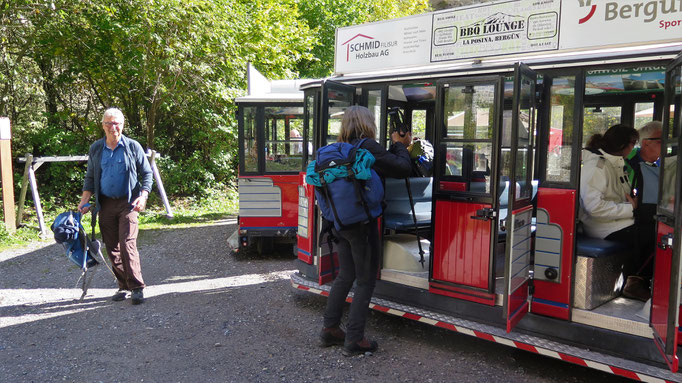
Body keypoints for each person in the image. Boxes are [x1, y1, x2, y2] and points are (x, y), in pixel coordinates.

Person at [319, 105, 412, 355]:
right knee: (365, 281)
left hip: (338, 224)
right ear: (367, 124)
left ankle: (329, 329)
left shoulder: (337, 150)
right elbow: (402, 168)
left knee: (345, 276)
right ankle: (354, 339)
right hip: (362, 225)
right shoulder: (367, 147)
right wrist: (400, 144)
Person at [78, 108, 153, 305]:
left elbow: (147, 173)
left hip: (128, 203)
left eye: (117, 123)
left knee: (127, 244)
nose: (114, 127)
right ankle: (124, 285)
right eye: (109, 123)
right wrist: (85, 200)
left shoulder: (132, 147)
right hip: (105, 204)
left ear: (123, 124)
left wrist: (143, 196)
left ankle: (137, 287)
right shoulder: (96, 149)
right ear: (103, 125)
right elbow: (91, 177)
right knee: (112, 247)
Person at [579, 124, 652, 301]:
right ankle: (635, 283)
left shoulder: (615, 164)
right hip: (602, 226)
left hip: (616, 220)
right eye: (633, 143)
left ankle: (639, 279)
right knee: (654, 236)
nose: (634, 147)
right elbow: (594, 207)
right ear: (622, 145)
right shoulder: (597, 166)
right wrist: (631, 209)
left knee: (657, 227)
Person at [625, 121, 662, 279]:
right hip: (633, 217)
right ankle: (639, 280)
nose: (666, 146)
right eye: (661, 141)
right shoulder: (627, 163)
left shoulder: (662, 164)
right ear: (646, 143)